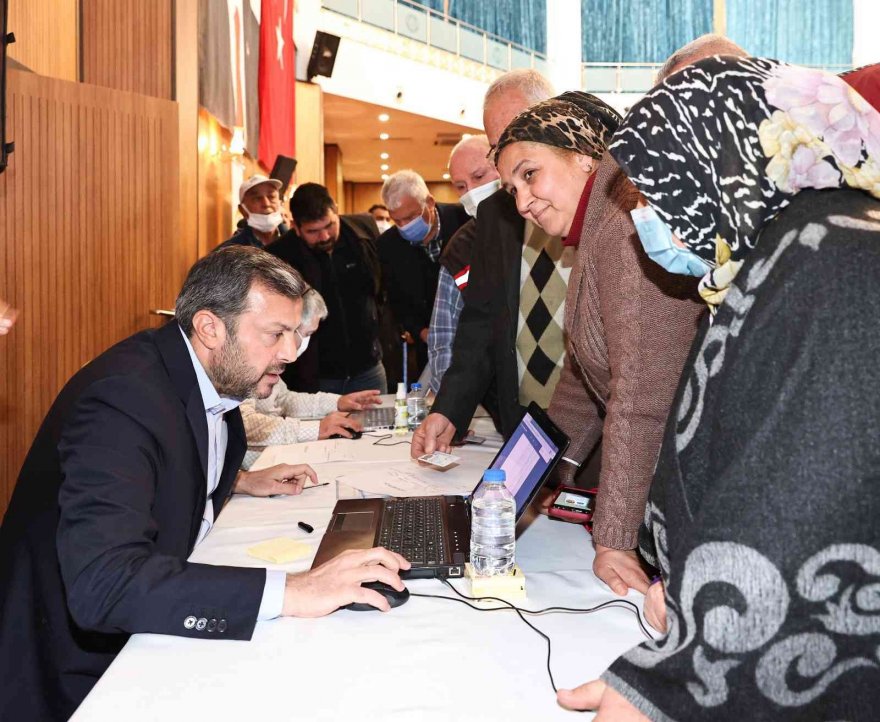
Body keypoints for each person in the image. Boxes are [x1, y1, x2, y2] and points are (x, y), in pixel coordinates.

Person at [559, 56, 880, 719]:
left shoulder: (835, 256)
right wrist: (686, 587)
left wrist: (670, 686)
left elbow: (811, 503)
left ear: (719, 158)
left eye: (653, 193)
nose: (646, 218)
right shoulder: (775, 251)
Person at [0, 247, 409, 720]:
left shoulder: (209, 376)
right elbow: (105, 585)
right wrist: (293, 591)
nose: (291, 353)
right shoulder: (122, 401)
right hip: (74, 674)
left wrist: (237, 480)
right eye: (276, 334)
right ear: (210, 327)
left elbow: (165, 460)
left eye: (293, 334)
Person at [492, 91, 705, 597]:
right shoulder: (597, 228)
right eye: (511, 190)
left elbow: (642, 393)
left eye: (529, 174)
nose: (522, 203)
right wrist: (539, 473)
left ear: (584, 157)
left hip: (690, 480)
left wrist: (615, 540)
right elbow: (582, 378)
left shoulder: (620, 225)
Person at [412, 69, 564, 455]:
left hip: (598, 424)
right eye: (499, 147)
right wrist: (449, 410)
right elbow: (480, 323)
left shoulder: (605, 203)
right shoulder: (496, 214)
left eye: (520, 133)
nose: (509, 156)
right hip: (524, 428)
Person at [239, 286, 381, 469]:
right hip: (257, 466)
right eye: (307, 335)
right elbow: (246, 424)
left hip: (274, 457)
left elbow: (285, 399)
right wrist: (316, 429)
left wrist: (338, 402)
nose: (301, 346)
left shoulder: (271, 361)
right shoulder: (248, 361)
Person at [269, 183, 387, 394]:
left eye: (329, 225)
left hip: (369, 368)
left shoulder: (362, 234)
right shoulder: (279, 258)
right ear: (296, 227)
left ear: (337, 211)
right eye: (313, 231)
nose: (324, 237)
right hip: (315, 377)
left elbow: (381, 291)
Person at [426, 134, 501, 394]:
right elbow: (443, 339)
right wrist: (451, 407)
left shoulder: (546, 225)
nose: (471, 192)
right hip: (490, 396)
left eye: (479, 177)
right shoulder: (459, 250)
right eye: (460, 186)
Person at [377, 169, 469, 375]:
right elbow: (396, 299)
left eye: (410, 217)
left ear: (429, 202)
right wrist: (421, 331)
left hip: (473, 335)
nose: (404, 226)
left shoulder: (464, 221)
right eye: (397, 221)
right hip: (429, 344)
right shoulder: (388, 245)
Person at [218, 174, 288, 249]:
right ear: (243, 210)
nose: (266, 204)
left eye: (271, 197)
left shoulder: (297, 242)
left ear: (280, 203)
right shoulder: (229, 251)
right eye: (257, 198)